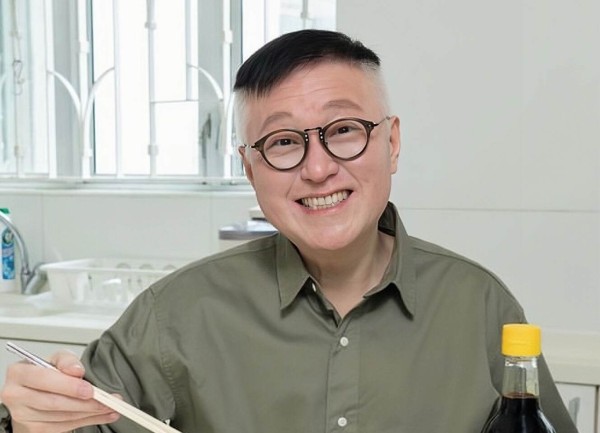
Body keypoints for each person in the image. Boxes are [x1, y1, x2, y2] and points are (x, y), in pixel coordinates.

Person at [0, 29, 576, 433]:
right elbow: (74, 420)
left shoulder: (481, 305)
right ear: (250, 169)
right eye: (282, 142)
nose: (318, 168)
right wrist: (31, 418)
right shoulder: (177, 313)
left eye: (344, 130)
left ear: (392, 142)